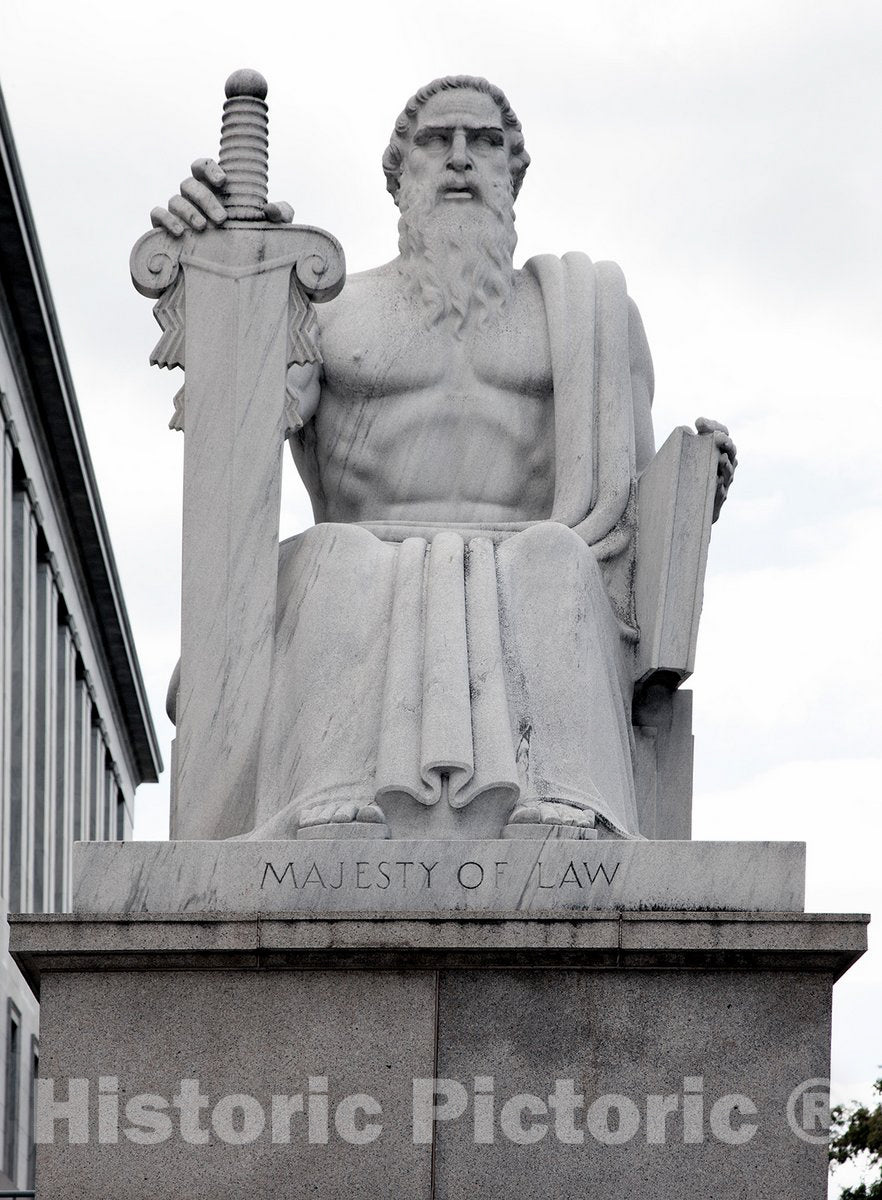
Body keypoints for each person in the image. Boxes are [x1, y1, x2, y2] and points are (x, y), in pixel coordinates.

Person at [152, 76, 736, 841]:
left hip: (540, 574)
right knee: (338, 559)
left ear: (511, 174)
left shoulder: (587, 312)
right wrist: (227, 278)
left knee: (554, 559)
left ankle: (571, 798)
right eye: (436, 141)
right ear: (399, 175)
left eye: (485, 142)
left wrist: (692, 498)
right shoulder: (326, 312)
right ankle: (318, 798)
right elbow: (235, 439)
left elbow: (626, 512)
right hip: (356, 576)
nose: (460, 158)